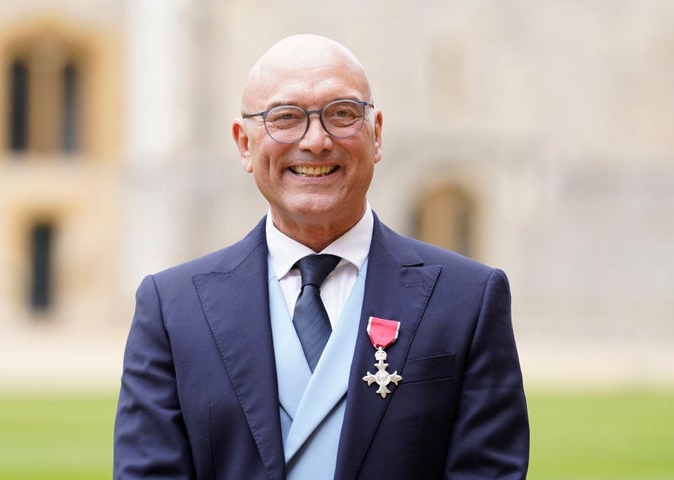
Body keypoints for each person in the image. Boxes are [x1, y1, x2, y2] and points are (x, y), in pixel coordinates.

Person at [114, 34, 529, 479]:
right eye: (286, 117)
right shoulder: (172, 308)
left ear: (377, 135)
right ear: (244, 145)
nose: (316, 141)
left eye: (342, 114)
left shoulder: (468, 299)